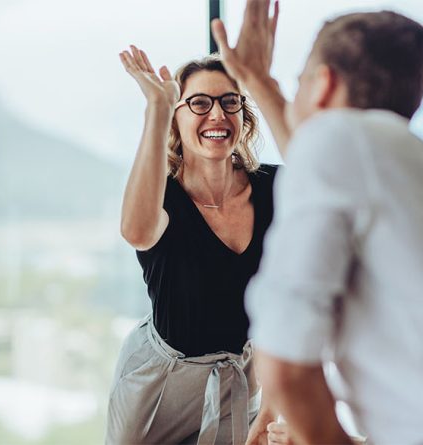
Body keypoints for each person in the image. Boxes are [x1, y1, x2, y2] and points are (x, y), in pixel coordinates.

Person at [212, 1, 423, 444]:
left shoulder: (340, 139)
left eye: (299, 80)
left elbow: (283, 363)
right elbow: (316, 153)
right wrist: (257, 80)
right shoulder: (420, 165)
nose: (294, 93)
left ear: (323, 85)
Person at [106, 45, 286, 445]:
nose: (217, 114)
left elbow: (289, 308)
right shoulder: (161, 196)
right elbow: (136, 232)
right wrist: (157, 106)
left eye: (229, 102)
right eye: (199, 103)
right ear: (177, 118)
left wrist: (272, 407)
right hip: (159, 386)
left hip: (239, 379)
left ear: (243, 114)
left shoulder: (277, 188)